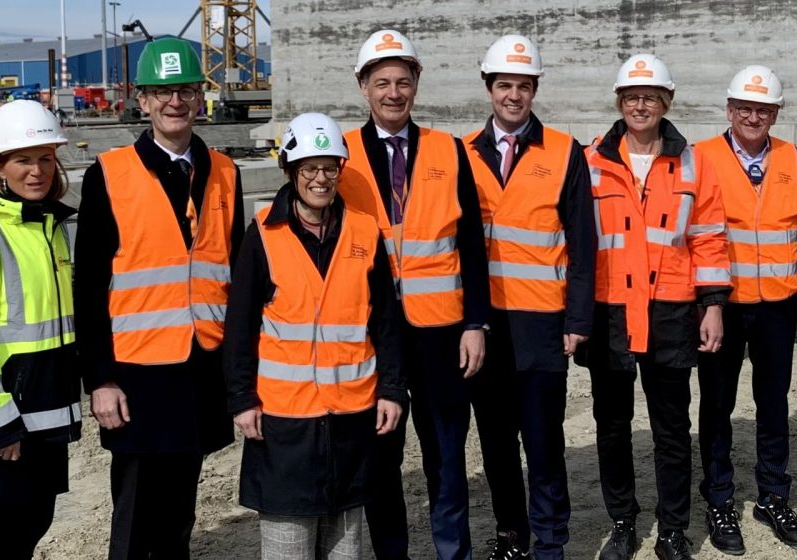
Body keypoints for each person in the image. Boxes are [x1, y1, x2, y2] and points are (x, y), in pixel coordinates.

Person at [73, 37, 245, 559]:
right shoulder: (109, 174)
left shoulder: (225, 173)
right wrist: (99, 380)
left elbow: (235, 277)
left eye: (186, 90)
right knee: (135, 516)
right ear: (142, 100)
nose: (176, 102)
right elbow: (88, 286)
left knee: (180, 512)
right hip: (137, 375)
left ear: (199, 99)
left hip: (199, 370)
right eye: (162, 92)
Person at [223, 112, 408, 560]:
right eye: (309, 168)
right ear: (290, 170)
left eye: (329, 167)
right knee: (290, 548)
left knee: (345, 549)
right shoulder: (264, 234)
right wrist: (242, 398)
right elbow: (240, 326)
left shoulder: (365, 231)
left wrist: (392, 391)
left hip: (352, 415)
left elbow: (386, 321)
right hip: (284, 422)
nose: (320, 179)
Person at [336, 29, 491, 560]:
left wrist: (476, 322)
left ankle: (454, 552)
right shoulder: (342, 157)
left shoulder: (449, 151)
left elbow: (471, 242)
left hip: (442, 334)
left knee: (447, 458)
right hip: (373, 336)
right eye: (382, 83)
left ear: (417, 84)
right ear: (363, 87)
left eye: (403, 81)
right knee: (381, 460)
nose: (394, 93)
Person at [578, 53, 730, 560]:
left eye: (650, 97)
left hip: (670, 313)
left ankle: (672, 530)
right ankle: (622, 523)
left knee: (671, 429)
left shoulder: (692, 161)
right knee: (613, 426)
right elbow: (576, 243)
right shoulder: (591, 159)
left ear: (667, 102)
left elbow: (709, 237)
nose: (640, 105)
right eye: (631, 97)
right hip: (611, 314)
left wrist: (712, 305)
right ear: (620, 102)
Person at [460, 35, 595, 560]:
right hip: (484, 323)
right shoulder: (462, 153)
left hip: (542, 319)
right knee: (495, 441)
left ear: (534, 88)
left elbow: (583, 244)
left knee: (543, 442)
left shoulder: (564, 152)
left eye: (523, 85)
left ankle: (551, 541)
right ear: (489, 88)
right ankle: (511, 535)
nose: (513, 95)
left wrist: (577, 319)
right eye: (504, 85)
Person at [0, 100, 81, 560]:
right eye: (24, 159)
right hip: (4, 419)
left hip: (44, 410)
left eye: (46, 158)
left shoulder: (49, 226)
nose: (37, 170)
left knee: (32, 521)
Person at [690, 65, 797, 555]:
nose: (753, 117)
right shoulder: (702, 158)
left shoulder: (790, 157)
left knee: (773, 402)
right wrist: (704, 303)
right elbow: (694, 236)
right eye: (745, 108)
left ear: (776, 113)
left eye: (763, 110)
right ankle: (719, 499)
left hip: (778, 306)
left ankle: (772, 495)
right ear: (729, 110)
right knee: (717, 406)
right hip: (723, 306)